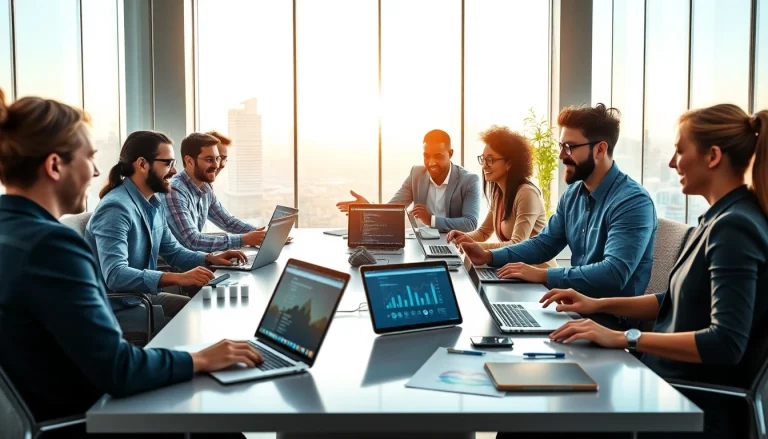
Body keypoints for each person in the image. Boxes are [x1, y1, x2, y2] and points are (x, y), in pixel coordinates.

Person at [0, 89, 261, 437]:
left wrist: (208, 258)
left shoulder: (10, 230)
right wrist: (200, 359)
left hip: (54, 404)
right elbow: (119, 368)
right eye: (89, 157)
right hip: (88, 417)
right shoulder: (52, 246)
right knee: (214, 415)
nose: (95, 171)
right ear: (54, 165)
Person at [507, 105, 768, 438]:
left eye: (680, 150)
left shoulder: (735, 229)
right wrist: (596, 305)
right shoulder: (718, 220)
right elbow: (670, 301)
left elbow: (726, 342)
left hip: (682, 399)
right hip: (658, 380)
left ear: (713, 156)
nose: (672, 162)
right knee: (532, 400)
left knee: (535, 411)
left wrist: (623, 337)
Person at [460, 104, 657, 300]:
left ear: (600, 150)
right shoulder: (572, 195)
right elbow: (543, 245)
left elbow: (614, 274)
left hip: (609, 321)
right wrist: (489, 257)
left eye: (569, 147)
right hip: (573, 305)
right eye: (561, 146)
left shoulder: (632, 202)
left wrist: (542, 275)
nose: (561, 155)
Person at [85, 130, 246, 329]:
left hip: (141, 298)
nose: (174, 171)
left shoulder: (154, 203)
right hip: (116, 309)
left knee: (207, 310)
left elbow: (174, 252)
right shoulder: (116, 208)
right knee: (198, 322)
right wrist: (179, 278)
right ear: (142, 164)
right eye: (168, 163)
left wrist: (210, 258)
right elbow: (116, 274)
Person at [447, 125, 556, 268]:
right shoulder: (499, 192)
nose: (484, 165)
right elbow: (484, 232)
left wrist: (476, 247)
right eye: (483, 159)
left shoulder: (526, 193)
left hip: (538, 273)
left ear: (509, 163)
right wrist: (463, 238)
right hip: (514, 269)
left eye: (490, 160)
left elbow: (518, 244)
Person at [336, 129, 481, 232]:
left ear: (450, 154)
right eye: (427, 156)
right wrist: (368, 208)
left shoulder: (469, 180)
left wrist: (430, 220)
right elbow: (394, 209)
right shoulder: (416, 174)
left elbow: (470, 223)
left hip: (454, 244)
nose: (431, 163)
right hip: (421, 243)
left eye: (438, 156)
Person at [162, 132, 266, 252]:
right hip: (173, 268)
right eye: (209, 160)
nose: (217, 165)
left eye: (218, 159)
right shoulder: (174, 191)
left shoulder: (206, 187)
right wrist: (243, 240)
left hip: (194, 263)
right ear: (189, 161)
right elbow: (192, 241)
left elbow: (228, 222)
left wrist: (262, 234)